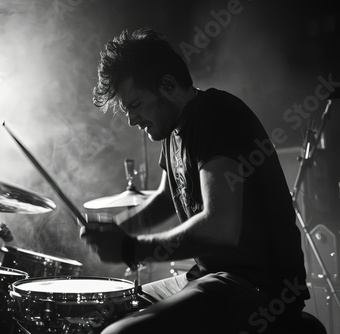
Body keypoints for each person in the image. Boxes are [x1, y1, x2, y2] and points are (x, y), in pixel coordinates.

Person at [80, 27, 310, 333]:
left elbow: (219, 228)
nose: (132, 120)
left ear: (168, 85)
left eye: (135, 105)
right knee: (104, 313)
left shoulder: (217, 115)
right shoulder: (173, 129)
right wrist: (119, 230)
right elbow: (166, 199)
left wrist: (129, 249)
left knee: (119, 332)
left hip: (258, 286)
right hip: (209, 275)